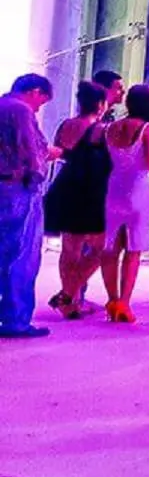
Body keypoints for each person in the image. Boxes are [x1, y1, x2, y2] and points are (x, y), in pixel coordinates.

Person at [44, 81, 110, 318]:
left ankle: (69, 301)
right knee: (102, 248)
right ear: (100, 104)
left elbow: (61, 152)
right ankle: (68, 295)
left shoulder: (66, 125)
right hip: (91, 192)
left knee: (69, 248)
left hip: (65, 187)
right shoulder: (99, 130)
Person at [0, 74, 58, 338]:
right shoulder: (21, 110)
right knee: (22, 254)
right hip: (17, 187)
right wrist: (38, 175)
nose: (38, 108)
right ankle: (16, 319)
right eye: (41, 102)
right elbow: (30, 149)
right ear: (34, 91)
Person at [101, 84, 149, 323]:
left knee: (111, 247)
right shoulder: (147, 129)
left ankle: (112, 298)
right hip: (139, 189)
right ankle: (125, 302)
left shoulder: (111, 128)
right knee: (134, 248)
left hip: (114, 187)